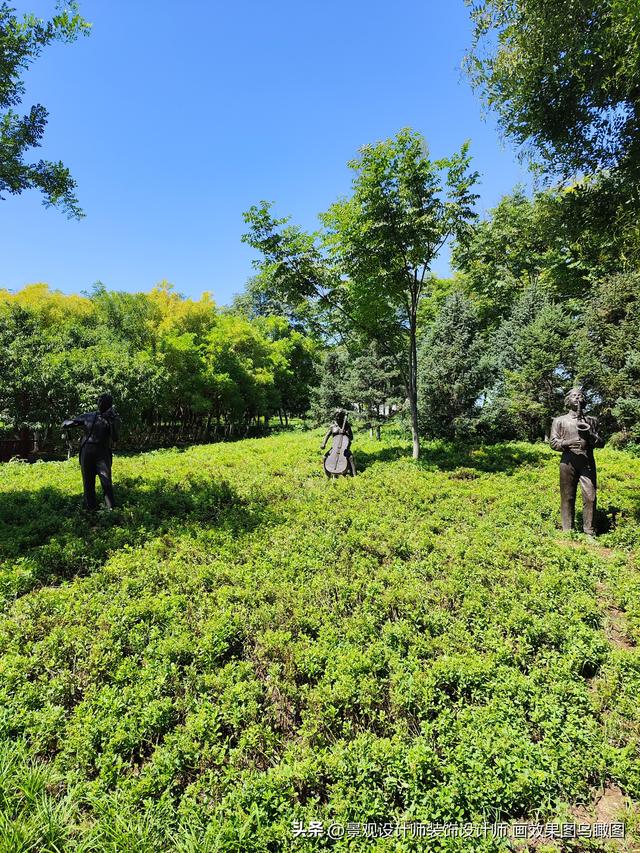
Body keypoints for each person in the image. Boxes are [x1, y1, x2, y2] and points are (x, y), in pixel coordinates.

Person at [549, 387, 604, 537]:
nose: (578, 398)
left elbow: (601, 443)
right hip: (568, 461)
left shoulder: (592, 420)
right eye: (574, 396)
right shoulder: (559, 420)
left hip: (587, 461)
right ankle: (567, 531)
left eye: (580, 395)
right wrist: (568, 442)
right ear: (568, 401)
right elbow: (553, 443)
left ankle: (589, 532)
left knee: (590, 497)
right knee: (567, 497)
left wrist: (591, 435)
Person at [62, 392, 121, 511]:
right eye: (99, 400)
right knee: (88, 483)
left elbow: (115, 437)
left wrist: (112, 421)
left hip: (102, 454)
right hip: (87, 452)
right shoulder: (89, 416)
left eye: (102, 401)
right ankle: (90, 509)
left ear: (109, 404)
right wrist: (66, 424)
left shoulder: (114, 419)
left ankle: (111, 509)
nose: (99, 403)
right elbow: (70, 422)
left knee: (106, 482)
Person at [321, 408, 356, 477]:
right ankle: (328, 476)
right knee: (324, 457)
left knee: (351, 457)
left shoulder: (346, 426)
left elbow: (351, 437)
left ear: (342, 417)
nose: (338, 418)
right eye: (337, 416)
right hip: (334, 447)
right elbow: (327, 435)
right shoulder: (332, 426)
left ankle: (354, 475)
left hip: (344, 447)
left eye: (340, 417)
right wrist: (323, 443)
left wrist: (345, 432)